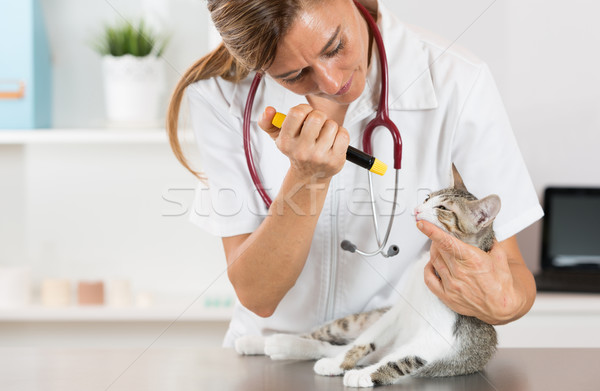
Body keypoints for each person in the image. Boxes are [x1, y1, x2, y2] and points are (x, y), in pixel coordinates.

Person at [166, 0, 544, 348]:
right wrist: (306, 177)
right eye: (294, 75)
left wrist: (502, 304)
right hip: (273, 359)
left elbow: (511, 271)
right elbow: (257, 296)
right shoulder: (219, 93)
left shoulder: (456, 79)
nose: (332, 84)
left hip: (394, 356)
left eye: (334, 47)